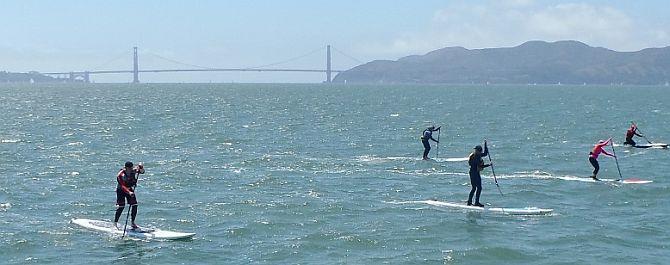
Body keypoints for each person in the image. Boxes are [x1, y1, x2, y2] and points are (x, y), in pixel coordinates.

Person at [114, 161, 145, 230]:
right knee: (121, 206)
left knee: (134, 205)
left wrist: (141, 167)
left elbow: (142, 172)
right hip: (121, 190)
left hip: (129, 189)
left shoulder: (133, 171)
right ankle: (115, 223)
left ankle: (133, 223)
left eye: (132, 168)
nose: (131, 170)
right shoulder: (120, 175)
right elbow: (122, 186)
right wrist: (129, 192)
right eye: (129, 168)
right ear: (125, 168)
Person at [467, 141, 491, 207]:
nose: (476, 151)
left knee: (476, 188)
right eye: (475, 150)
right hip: (474, 174)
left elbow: (485, 154)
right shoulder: (474, 157)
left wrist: (485, 146)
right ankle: (473, 202)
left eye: (477, 150)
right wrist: (488, 165)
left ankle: (472, 202)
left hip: (475, 173)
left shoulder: (478, 155)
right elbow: (480, 166)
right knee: (476, 188)